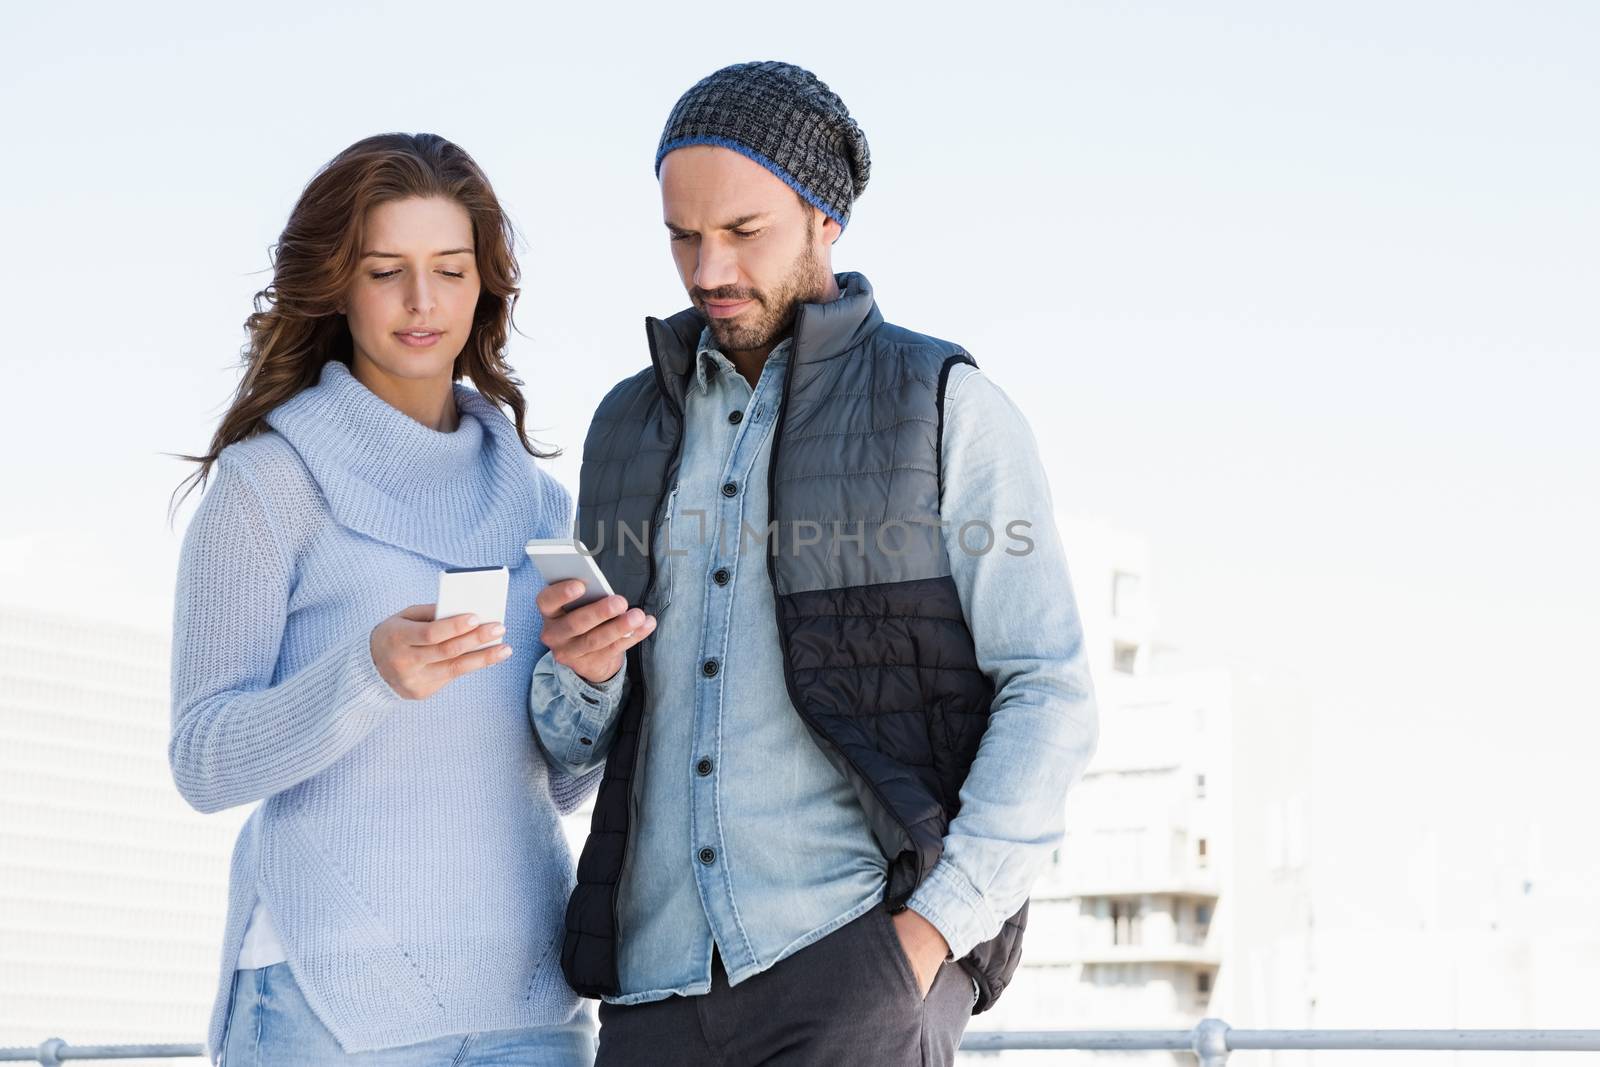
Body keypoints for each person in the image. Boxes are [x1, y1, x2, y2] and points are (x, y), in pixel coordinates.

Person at [529, 62, 1099, 1065]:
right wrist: (582, 672)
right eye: (681, 235)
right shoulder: (627, 423)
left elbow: (1047, 687)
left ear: (824, 217)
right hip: (650, 990)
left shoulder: (942, 403)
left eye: (743, 232)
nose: (707, 269)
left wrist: (928, 935)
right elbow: (578, 743)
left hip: (851, 971)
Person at [169, 133, 604, 1066]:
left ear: (485, 286)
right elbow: (203, 760)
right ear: (338, 284)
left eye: (450, 270)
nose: (423, 302)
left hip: (528, 1001)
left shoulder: (538, 503)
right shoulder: (270, 483)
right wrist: (365, 674)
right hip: (325, 1002)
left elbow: (564, 784)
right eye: (386, 270)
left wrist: (591, 681)